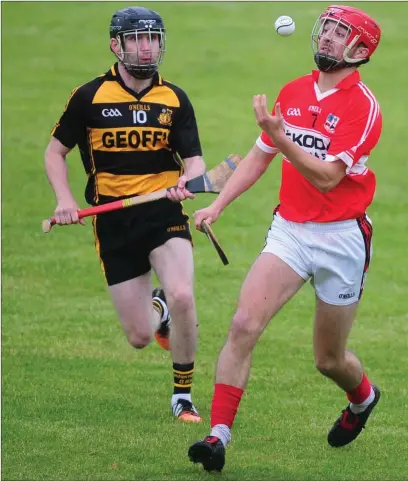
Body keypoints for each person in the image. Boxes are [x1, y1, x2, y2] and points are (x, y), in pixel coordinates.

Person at [188, 4, 383, 471]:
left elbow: (326, 179)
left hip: (341, 240)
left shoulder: (363, 107)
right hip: (291, 231)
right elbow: (260, 157)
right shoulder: (293, 92)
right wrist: (218, 204)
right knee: (243, 324)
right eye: (327, 31)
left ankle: (363, 397)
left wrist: (281, 135)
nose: (328, 39)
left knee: (329, 360)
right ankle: (217, 437)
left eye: (340, 34)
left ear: (360, 50)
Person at [44, 6, 205, 422]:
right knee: (139, 337)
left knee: (184, 294)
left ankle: (182, 396)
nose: (146, 47)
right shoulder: (90, 97)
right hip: (112, 219)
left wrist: (187, 181)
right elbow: (55, 153)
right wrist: (64, 199)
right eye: (137, 38)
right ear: (117, 44)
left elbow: (196, 162)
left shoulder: (174, 99)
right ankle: (159, 309)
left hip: (162, 213)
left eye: (152, 38)